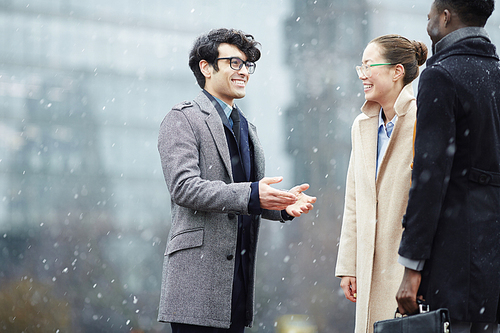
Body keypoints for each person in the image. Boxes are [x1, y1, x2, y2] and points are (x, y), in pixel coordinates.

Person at [157, 28, 316, 333]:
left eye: (246, 65)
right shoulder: (182, 118)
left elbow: (247, 195)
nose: (243, 71)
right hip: (196, 286)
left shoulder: (247, 128)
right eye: (234, 63)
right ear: (206, 67)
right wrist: (254, 194)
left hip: (238, 282)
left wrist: (281, 205)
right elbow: (184, 188)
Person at [396, 1, 500, 332]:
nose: (427, 17)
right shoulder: (496, 73)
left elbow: (429, 178)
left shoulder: (441, 76)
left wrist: (412, 268)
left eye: (431, 11)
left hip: (458, 260)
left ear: (445, 16)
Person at [335, 34, 428, 333]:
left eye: (369, 65)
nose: (362, 74)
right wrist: (349, 264)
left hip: (406, 265)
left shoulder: (422, 120)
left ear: (397, 71)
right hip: (367, 264)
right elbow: (354, 200)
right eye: (359, 66)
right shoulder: (361, 126)